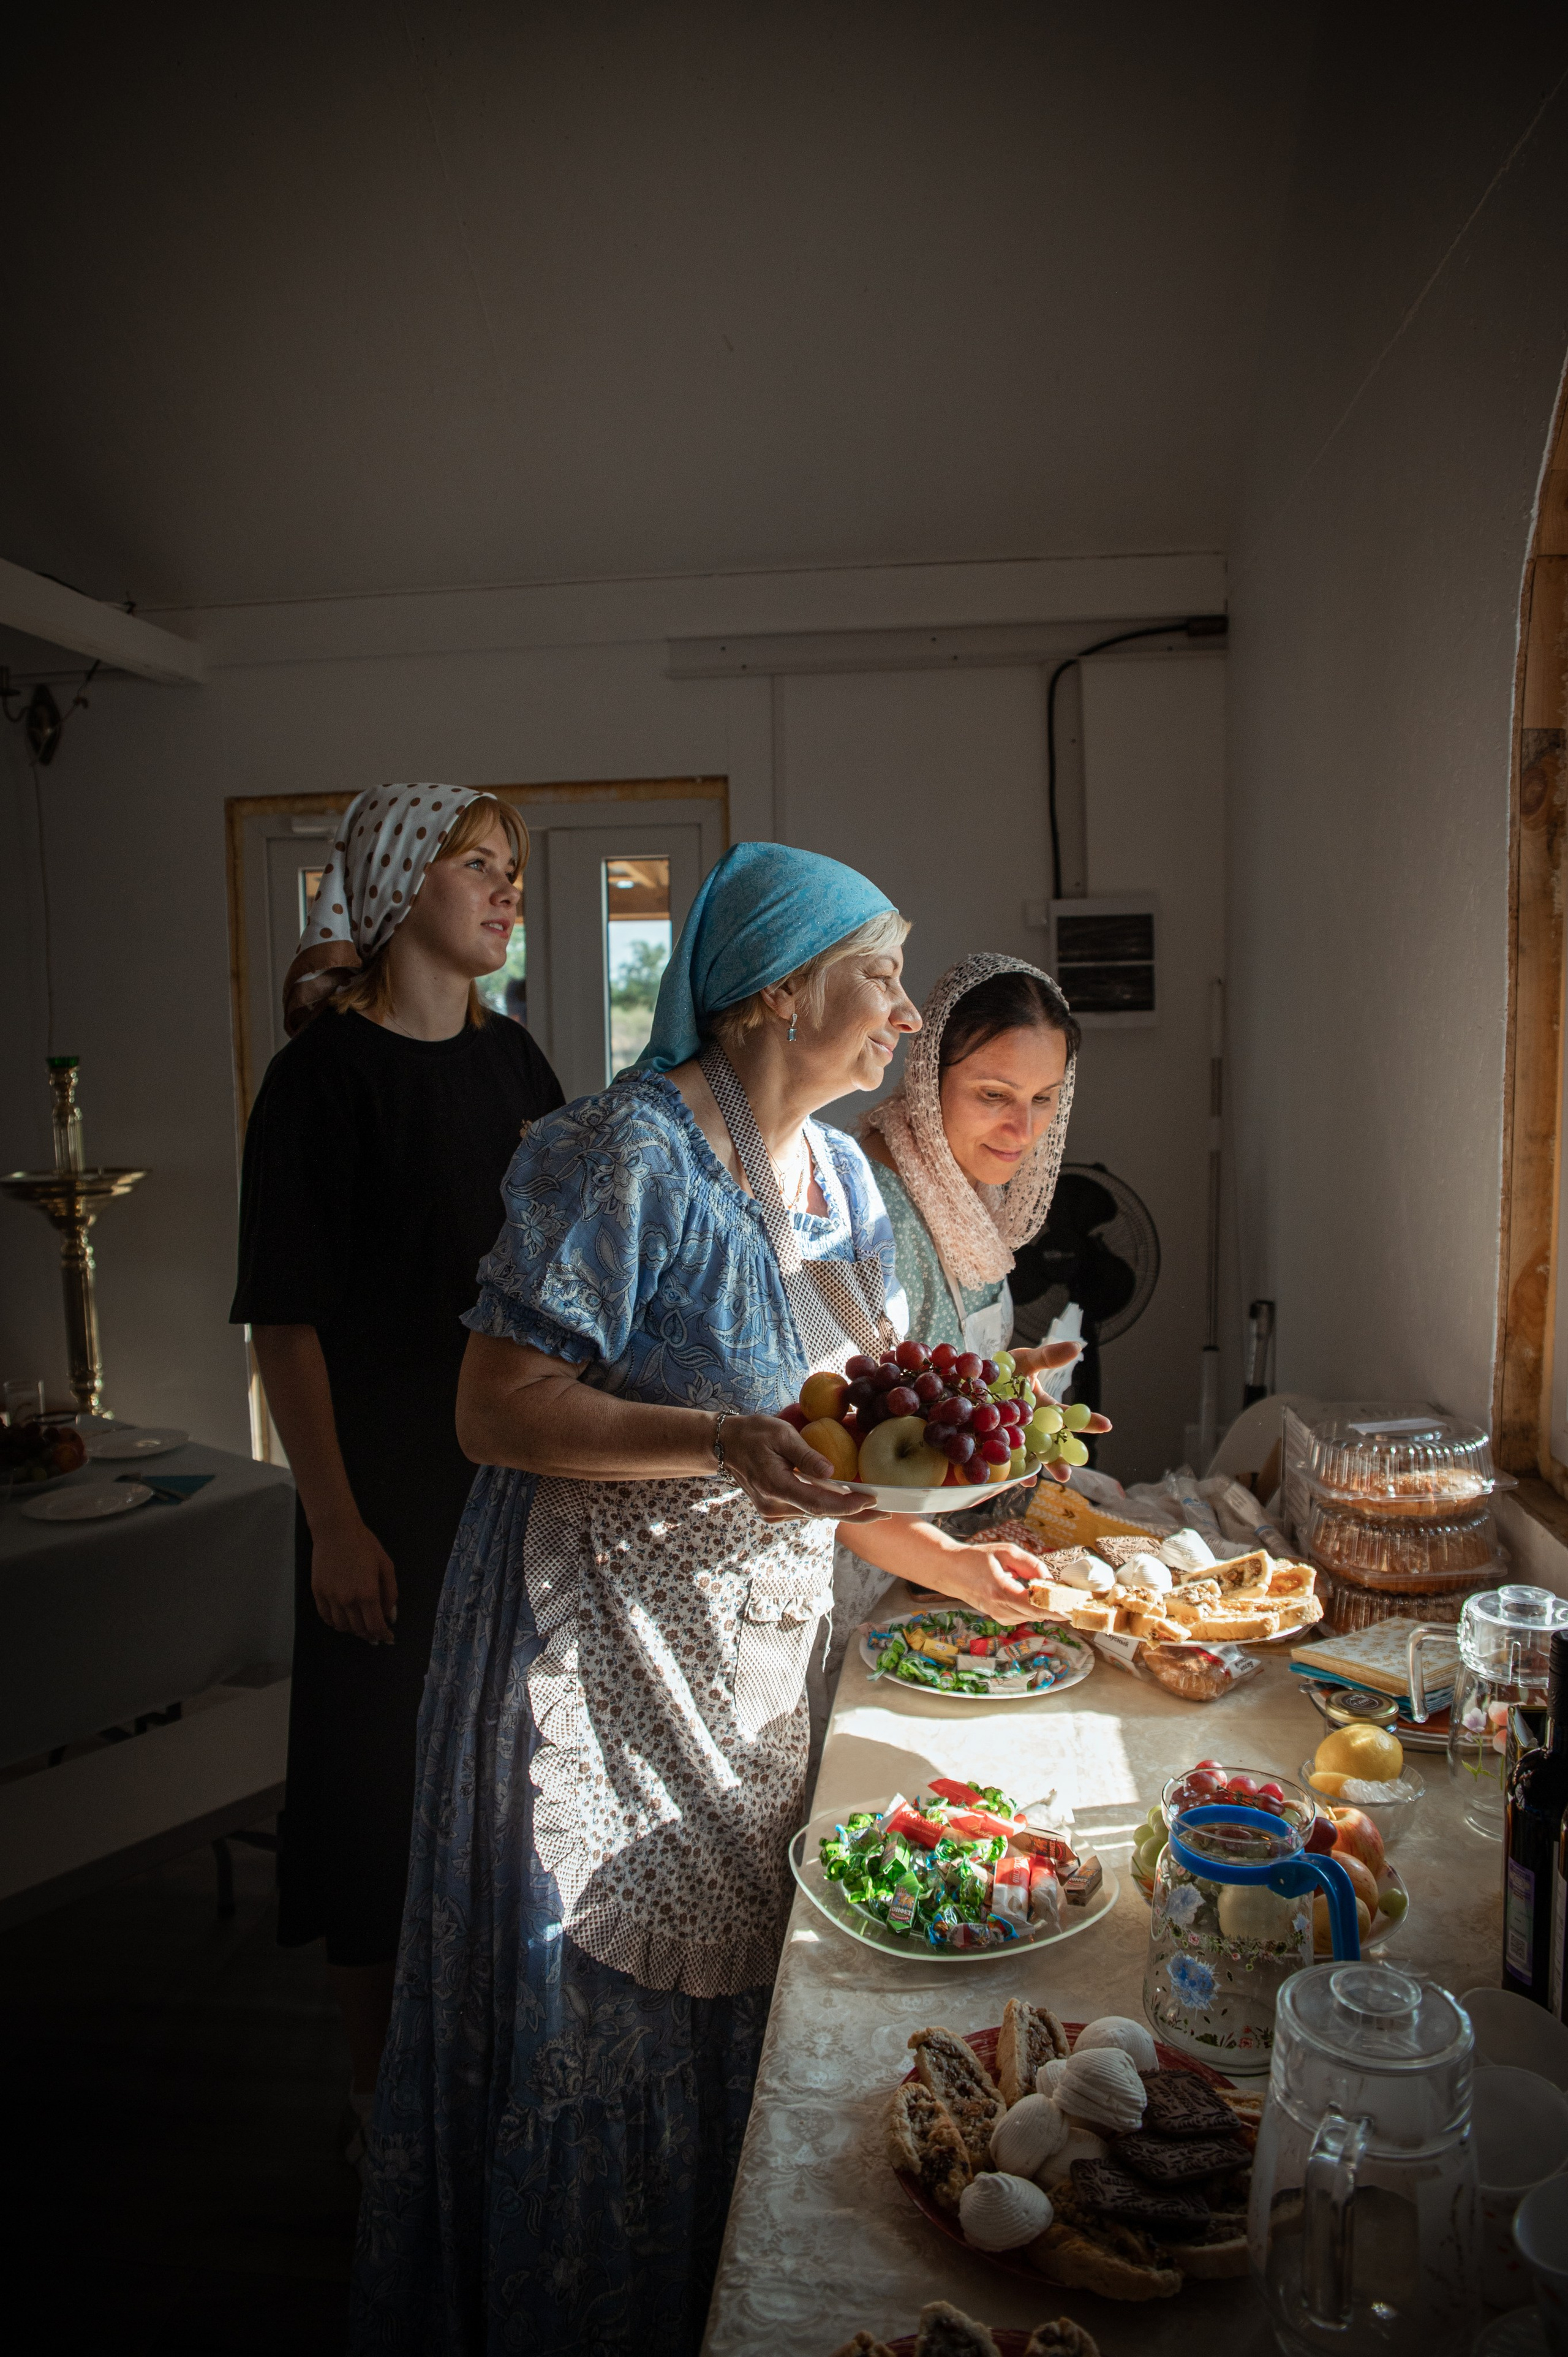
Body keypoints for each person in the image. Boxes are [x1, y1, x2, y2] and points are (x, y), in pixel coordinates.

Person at [350, 843, 1054, 2356]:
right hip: (591, 1658)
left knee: (732, 2017)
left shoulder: (845, 1179)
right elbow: (494, 1407)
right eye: (878, 977)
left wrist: (956, 1557)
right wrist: (711, 1442)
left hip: (754, 1662)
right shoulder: (620, 1154)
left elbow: (840, 1447)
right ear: (776, 991)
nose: (902, 1022)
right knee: (599, 2018)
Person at [230, 784, 562, 2152]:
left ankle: (492, 2057)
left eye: (511, 869)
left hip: (514, 1487)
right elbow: (287, 1317)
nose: (504, 890)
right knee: (376, 1791)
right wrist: (332, 1520)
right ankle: (378, 2102)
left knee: (512, 1783)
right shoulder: (322, 1078)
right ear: (394, 884)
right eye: (476, 864)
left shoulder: (517, 1065)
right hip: (386, 1497)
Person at [807, 953, 1106, 1763]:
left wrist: (1013, 1395)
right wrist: (957, 1567)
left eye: (1044, 1100)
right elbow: (834, 1449)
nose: (1024, 1128)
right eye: (994, 1096)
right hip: (862, 1576)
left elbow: (937, 1380)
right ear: (925, 1074)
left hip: (928, 1570)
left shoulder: (966, 1192)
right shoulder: (869, 1207)